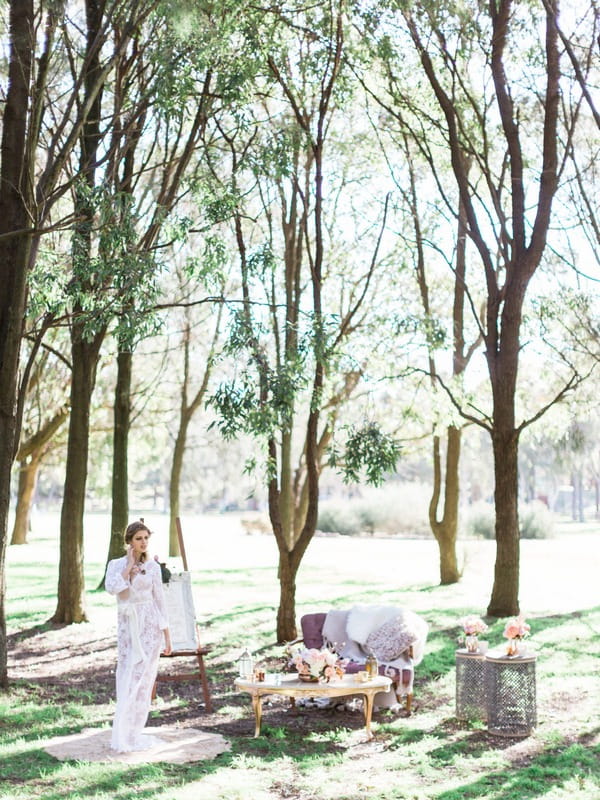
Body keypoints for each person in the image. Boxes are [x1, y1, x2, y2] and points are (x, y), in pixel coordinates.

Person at [105, 520, 172, 752]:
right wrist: (129, 568)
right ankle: (121, 733)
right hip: (128, 626)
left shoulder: (153, 567)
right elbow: (112, 588)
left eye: (146, 538)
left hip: (150, 626)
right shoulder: (116, 565)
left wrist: (167, 635)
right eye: (138, 538)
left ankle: (134, 733)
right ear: (129, 541)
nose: (143, 542)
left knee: (144, 680)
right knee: (128, 675)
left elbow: (160, 600)